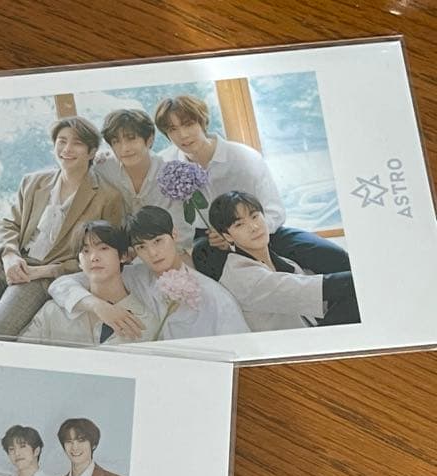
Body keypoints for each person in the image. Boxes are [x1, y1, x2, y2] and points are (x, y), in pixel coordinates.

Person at [154, 94, 350, 279]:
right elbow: (174, 222)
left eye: (188, 124)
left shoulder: (243, 157)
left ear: (202, 121)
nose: (183, 135)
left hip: (261, 231)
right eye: (172, 129)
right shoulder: (166, 165)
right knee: (206, 256)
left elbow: (274, 211)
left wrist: (246, 235)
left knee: (334, 257)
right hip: (211, 240)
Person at [0, 116, 125, 340]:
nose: (67, 149)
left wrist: (45, 271)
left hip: (41, 277)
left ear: (92, 152)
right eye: (61, 141)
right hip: (6, 262)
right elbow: (8, 224)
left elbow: (106, 253)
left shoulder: (108, 197)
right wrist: (9, 255)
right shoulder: (32, 182)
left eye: (77, 143)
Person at [46, 209, 252, 341]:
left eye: (158, 241)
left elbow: (241, 346)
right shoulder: (133, 275)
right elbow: (62, 285)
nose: (153, 253)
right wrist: (99, 306)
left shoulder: (213, 295)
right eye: (142, 247)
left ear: (174, 235)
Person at [207, 191, 360, 329]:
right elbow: (318, 288)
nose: (253, 227)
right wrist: (366, 274)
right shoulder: (242, 277)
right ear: (227, 236)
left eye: (254, 216)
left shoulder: (283, 262)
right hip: (293, 346)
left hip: (311, 332)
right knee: (357, 292)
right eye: (239, 224)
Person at [19, 220, 156, 345]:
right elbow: (19, 356)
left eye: (103, 248)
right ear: (79, 262)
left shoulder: (145, 322)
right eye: (86, 251)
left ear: (123, 256)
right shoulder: (53, 312)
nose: (94, 257)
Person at [94, 108, 194, 248]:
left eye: (131, 138)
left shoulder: (169, 175)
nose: (125, 148)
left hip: (165, 250)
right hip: (120, 251)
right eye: (116, 141)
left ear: (149, 139)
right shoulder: (103, 167)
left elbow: (182, 231)